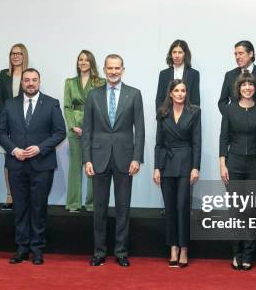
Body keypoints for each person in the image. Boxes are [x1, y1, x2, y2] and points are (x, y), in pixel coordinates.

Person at [0, 69, 66, 265]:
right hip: (16, 163)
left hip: (42, 165)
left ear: (39, 82)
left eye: (34, 80)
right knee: (19, 207)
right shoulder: (10, 104)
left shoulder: (51, 103)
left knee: (38, 207)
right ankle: (21, 249)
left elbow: (60, 132)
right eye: (26, 80)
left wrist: (40, 148)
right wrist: (13, 149)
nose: (30, 83)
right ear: (22, 83)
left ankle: (37, 249)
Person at [83, 54, 145, 267]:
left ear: (123, 70)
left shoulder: (134, 94)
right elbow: (87, 131)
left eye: (117, 68)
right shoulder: (93, 95)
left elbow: (141, 130)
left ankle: (121, 252)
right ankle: (99, 252)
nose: (113, 72)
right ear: (104, 69)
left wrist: (137, 158)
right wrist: (86, 159)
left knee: (123, 208)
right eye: (110, 68)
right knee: (99, 208)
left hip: (125, 159)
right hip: (98, 158)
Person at [219, 71, 256, 271]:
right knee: (236, 212)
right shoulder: (230, 110)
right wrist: (222, 164)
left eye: (250, 85)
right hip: (233, 164)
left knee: (252, 212)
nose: (247, 88)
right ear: (238, 88)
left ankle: (248, 255)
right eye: (244, 85)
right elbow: (223, 137)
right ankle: (236, 254)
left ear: (255, 88)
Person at [153, 80, 201, 267]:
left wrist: (196, 167)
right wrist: (156, 167)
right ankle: (173, 246)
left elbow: (197, 141)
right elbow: (158, 143)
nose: (180, 94)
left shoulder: (195, 112)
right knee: (170, 207)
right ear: (170, 94)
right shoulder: (162, 113)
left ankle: (184, 248)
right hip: (166, 164)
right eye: (176, 91)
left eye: (183, 90)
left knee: (182, 206)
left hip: (186, 163)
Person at [64, 50, 105, 212]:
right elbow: (67, 106)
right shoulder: (70, 82)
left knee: (92, 166)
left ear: (91, 63)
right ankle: (73, 203)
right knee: (75, 166)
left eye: (86, 60)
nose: (83, 62)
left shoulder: (100, 82)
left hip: (94, 128)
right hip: (74, 129)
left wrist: (90, 128)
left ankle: (92, 203)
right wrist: (73, 125)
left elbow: (102, 107)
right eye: (80, 59)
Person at [0, 43, 29, 210]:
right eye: (12, 53)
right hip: (8, 123)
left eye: (19, 53)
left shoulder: (29, 75)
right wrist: (6, 114)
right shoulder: (3, 74)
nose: (15, 56)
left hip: (26, 124)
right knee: (9, 162)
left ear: (24, 56)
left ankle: (24, 197)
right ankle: (10, 195)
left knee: (26, 161)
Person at [218, 40, 256, 115]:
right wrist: (230, 117)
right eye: (235, 54)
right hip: (234, 125)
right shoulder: (229, 75)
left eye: (241, 53)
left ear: (251, 54)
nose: (237, 57)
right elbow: (222, 102)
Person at [155, 39, 200, 110]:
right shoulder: (163, 74)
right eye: (174, 52)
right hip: (167, 118)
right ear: (171, 54)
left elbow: (196, 101)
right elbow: (159, 100)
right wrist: (161, 117)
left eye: (180, 52)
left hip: (187, 118)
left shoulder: (194, 74)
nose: (177, 55)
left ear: (185, 54)